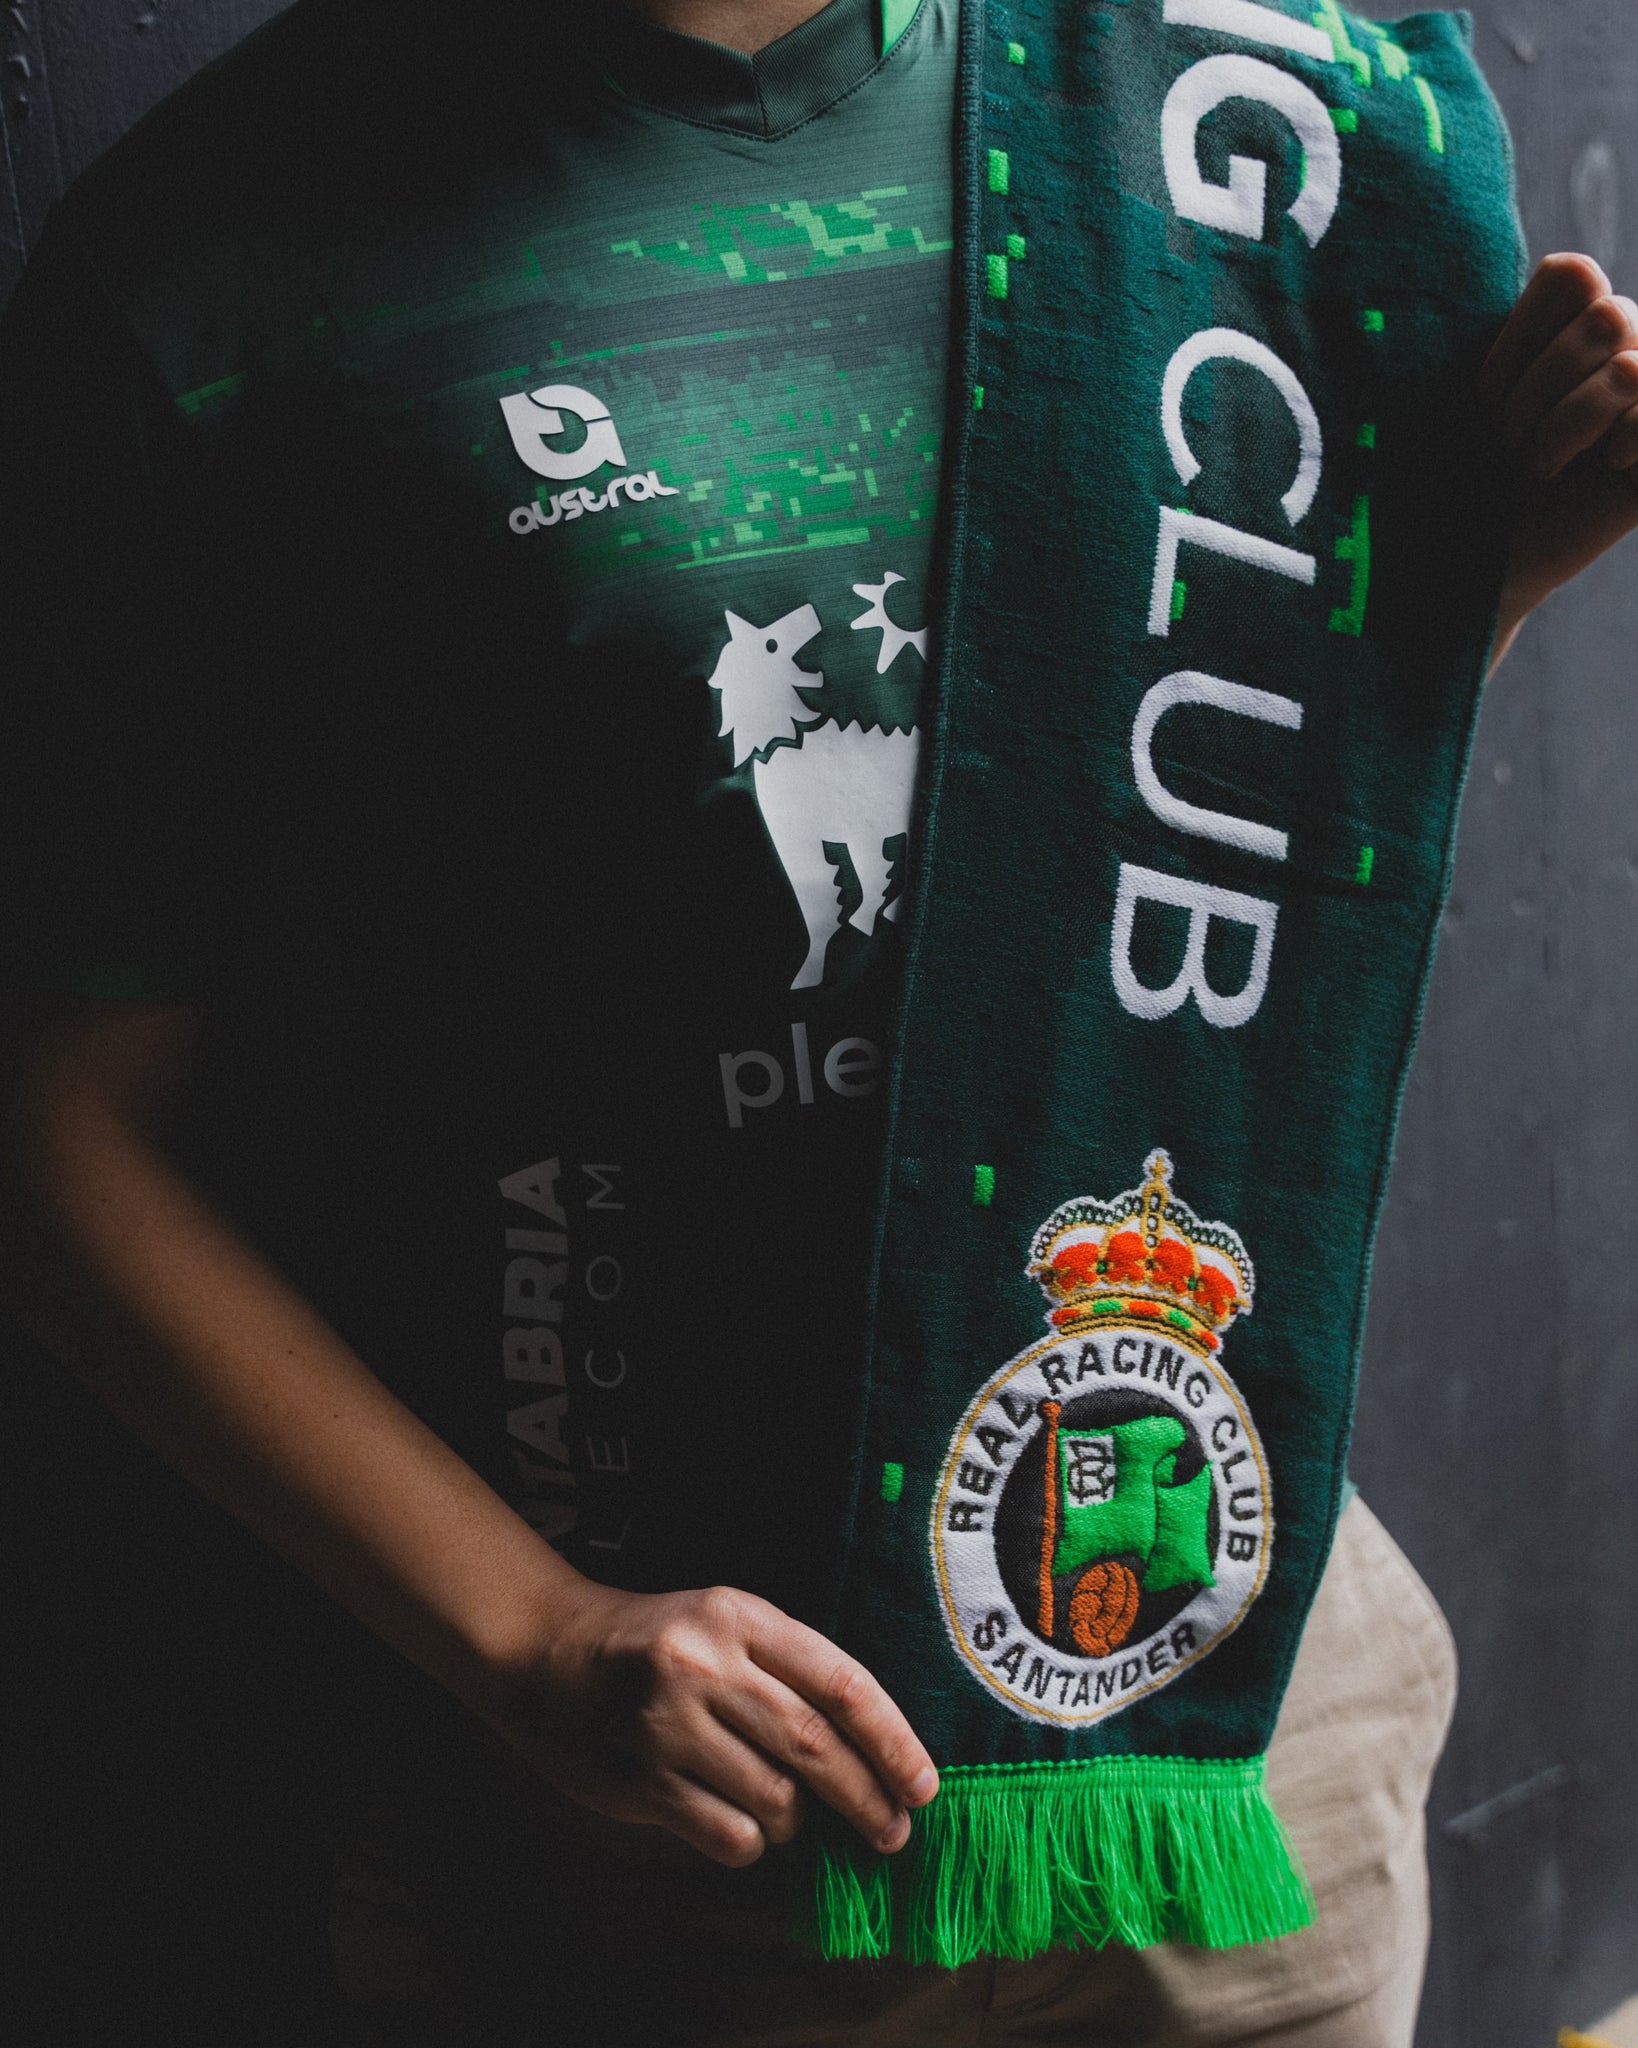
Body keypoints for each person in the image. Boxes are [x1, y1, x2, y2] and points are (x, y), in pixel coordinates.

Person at [1, 0, 1635, 2041]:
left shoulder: (1224, 119)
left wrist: (1481, 575)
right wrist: (531, 1636)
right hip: (653, 1814)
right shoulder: (212, 263)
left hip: (1221, 1721)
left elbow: (1172, 821)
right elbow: (60, 1119)